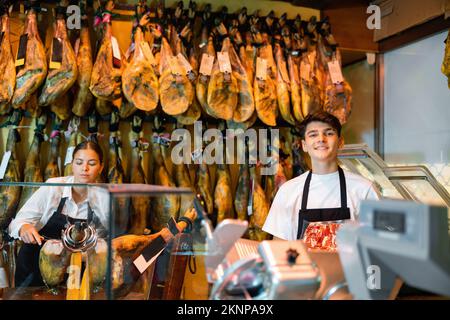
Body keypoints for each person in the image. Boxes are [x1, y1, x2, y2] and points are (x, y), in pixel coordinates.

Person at [263, 111, 381, 241]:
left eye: (329, 133)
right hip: (304, 262)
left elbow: (378, 244)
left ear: (341, 142)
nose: (321, 139)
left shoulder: (364, 189)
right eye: (313, 134)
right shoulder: (288, 191)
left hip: (347, 262)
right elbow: (279, 248)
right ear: (304, 145)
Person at [8, 140, 109, 287]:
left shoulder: (104, 198)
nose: (84, 168)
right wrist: (25, 228)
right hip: (35, 270)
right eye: (79, 162)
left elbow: (111, 237)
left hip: (77, 275)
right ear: (72, 164)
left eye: (92, 163)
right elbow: (16, 224)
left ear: (101, 167)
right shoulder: (53, 188)